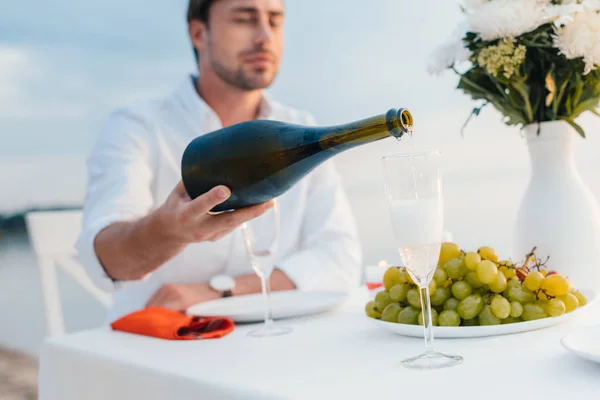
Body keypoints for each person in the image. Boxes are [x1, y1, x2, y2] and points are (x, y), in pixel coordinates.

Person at [76, 0, 362, 322]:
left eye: (275, 20)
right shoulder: (136, 127)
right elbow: (107, 261)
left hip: (273, 349)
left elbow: (340, 260)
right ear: (199, 33)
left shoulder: (304, 129)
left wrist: (221, 292)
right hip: (158, 349)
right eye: (244, 19)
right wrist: (171, 231)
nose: (265, 37)